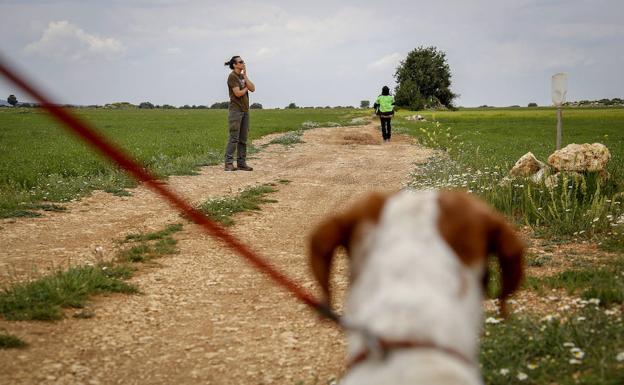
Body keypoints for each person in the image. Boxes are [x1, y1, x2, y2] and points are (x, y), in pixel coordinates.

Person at [223, 55, 256, 171]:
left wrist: (246, 76)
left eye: (243, 61)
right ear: (235, 65)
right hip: (235, 111)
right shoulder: (232, 77)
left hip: (245, 111)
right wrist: (246, 88)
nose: (243, 63)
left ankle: (241, 163)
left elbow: (253, 88)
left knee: (243, 139)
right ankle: (228, 163)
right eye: (240, 62)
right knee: (234, 138)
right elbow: (237, 93)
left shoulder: (242, 76)